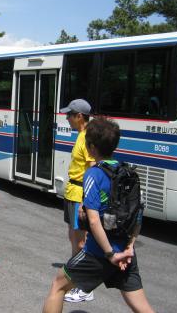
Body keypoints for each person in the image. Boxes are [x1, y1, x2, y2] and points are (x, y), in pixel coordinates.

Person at [42, 117, 154, 313]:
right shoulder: (127, 173)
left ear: (91, 147)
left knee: (58, 286)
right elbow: (137, 215)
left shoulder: (94, 174)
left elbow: (93, 221)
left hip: (98, 253)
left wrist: (111, 254)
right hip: (126, 254)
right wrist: (128, 248)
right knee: (142, 306)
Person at [59, 98, 95, 302]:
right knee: (73, 237)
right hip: (72, 193)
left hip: (79, 194)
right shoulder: (81, 134)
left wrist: (85, 201)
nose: (67, 119)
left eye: (69, 115)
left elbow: (91, 170)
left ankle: (85, 287)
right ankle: (76, 278)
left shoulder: (87, 136)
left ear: (79, 116)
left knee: (81, 242)